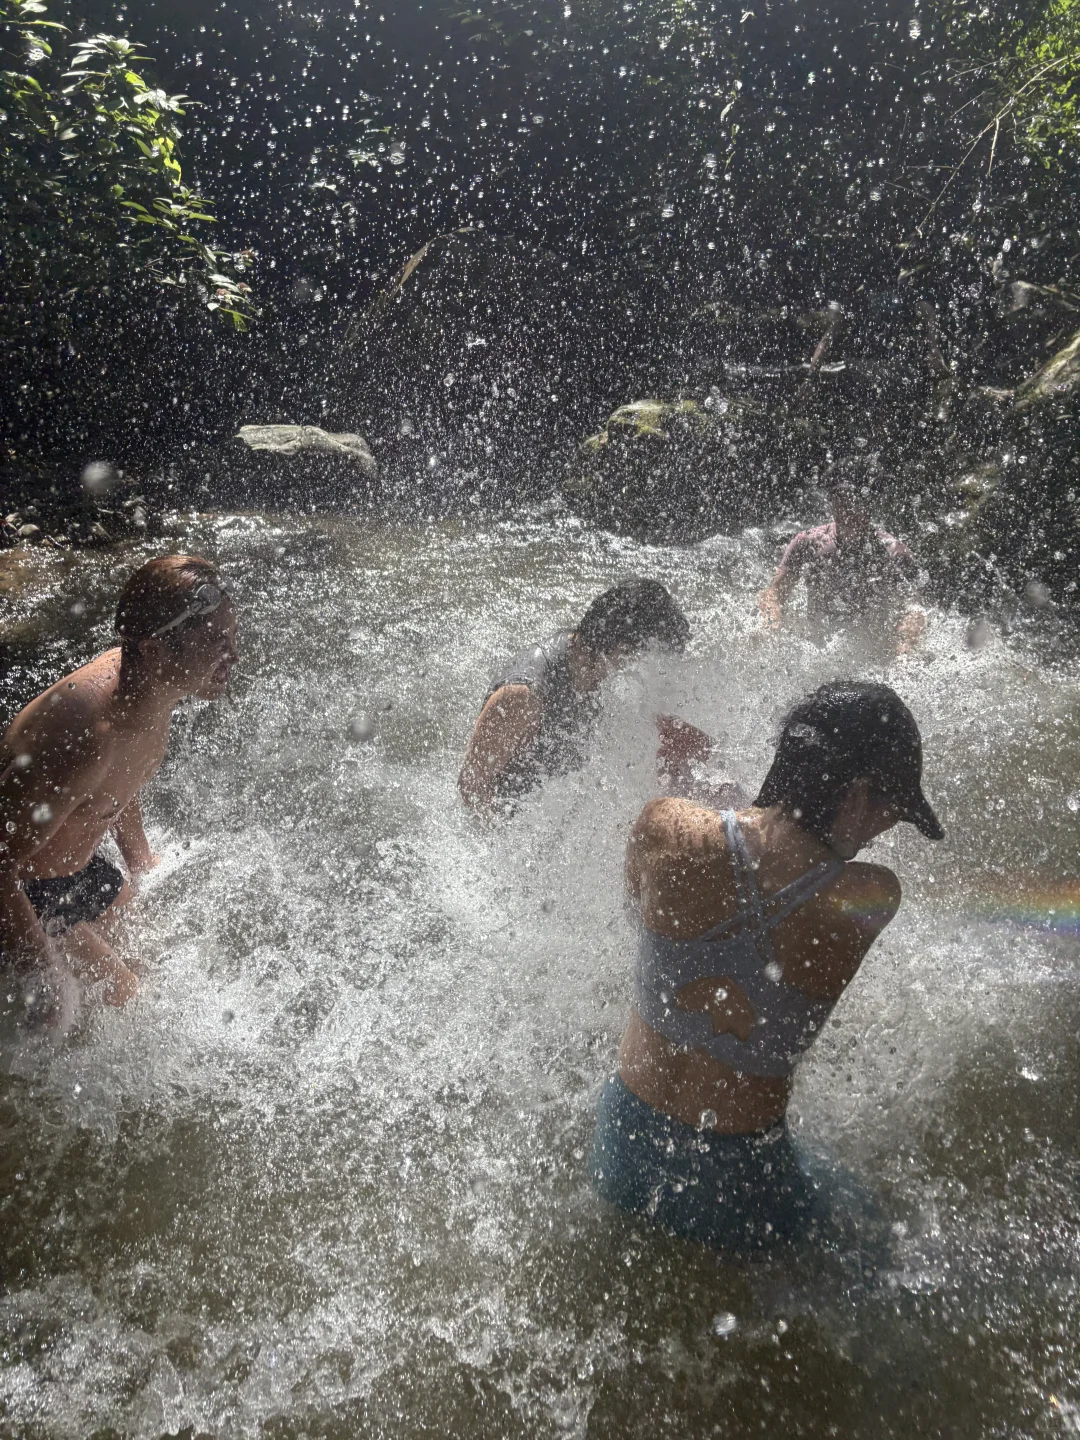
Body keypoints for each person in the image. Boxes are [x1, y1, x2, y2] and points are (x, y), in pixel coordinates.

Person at [590, 680, 943, 1252]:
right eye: (891, 810)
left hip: (622, 1140)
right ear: (853, 798)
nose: (886, 828)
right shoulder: (871, 895)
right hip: (735, 1181)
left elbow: (637, 909)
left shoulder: (666, 828)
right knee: (884, 1234)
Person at [0, 554, 238, 1010]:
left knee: (156, 956)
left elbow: (117, 787)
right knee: (123, 1001)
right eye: (217, 641)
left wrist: (141, 861)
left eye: (232, 636)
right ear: (156, 649)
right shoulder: (81, 739)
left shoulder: (151, 689)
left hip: (73, 872)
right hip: (25, 895)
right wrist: (41, 970)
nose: (233, 656)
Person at [459, 576, 692, 816]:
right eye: (644, 656)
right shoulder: (523, 696)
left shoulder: (592, 666)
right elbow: (471, 788)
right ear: (622, 650)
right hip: (512, 822)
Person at [758, 460, 926, 653]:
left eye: (856, 503)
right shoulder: (807, 543)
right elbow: (774, 594)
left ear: (871, 505)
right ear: (831, 502)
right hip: (818, 651)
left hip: (872, 653)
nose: (848, 510)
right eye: (841, 501)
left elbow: (915, 611)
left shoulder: (894, 553)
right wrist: (771, 625)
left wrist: (904, 646)